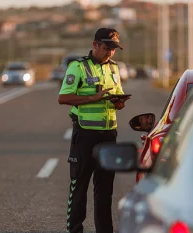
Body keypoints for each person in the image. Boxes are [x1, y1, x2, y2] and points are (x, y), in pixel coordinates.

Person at [58, 27, 130, 233]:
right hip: (85, 135)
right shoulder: (78, 67)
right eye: (107, 48)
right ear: (95, 45)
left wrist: (119, 102)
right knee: (79, 186)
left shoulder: (114, 68)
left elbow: (117, 94)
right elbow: (63, 98)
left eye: (114, 49)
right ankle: (75, 230)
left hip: (109, 134)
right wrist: (91, 98)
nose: (110, 53)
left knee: (105, 190)